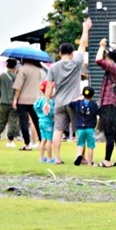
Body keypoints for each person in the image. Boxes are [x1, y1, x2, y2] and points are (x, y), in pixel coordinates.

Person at [44, 17, 92, 164]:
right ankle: (81, 156)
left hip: (58, 102)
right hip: (74, 102)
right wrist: (85, 28)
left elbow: (49, 85)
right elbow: (83, 44)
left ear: (60, 53)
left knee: (58, 130)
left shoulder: (53, 67)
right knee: (79, 129)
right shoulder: (76, 62)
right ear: (71, 53)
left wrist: (47, 102)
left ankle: (57, 158)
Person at [95, 38, 116, 167]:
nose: (106, 60)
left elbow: (98, 60)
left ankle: (107, 161)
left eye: (108, 58)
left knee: (109, 133)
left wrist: (102, 46)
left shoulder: (113, 69)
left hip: (109, 104)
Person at [11, 58, 45, 151]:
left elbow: (18, 86)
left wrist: (15, 99)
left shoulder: (22, 69)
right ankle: (42, 141)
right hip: (36, 99)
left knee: (23, 121)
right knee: (37, 121)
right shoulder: (39, 70)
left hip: (23, 99)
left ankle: (27, 144)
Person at [0, 59, 20, 147]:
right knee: (12, 121)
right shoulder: (16, 77)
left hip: (2, 101)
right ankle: (10, 140)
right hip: (13, 102)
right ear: (15, 66)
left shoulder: (0, 76)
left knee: (1, 121)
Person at [70, 86, 99, 167]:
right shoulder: (94, 104)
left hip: (80, 128)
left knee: (80, 144)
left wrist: (78, 98)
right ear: (93, 95)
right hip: (90, 128)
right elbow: (98, 114)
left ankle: (79, 155)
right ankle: (89, 163)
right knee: (90, 145)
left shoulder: (78, 103)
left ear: (83, 94)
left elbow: (70, 104)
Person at [33, 80, 55, 163]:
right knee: (49, 140)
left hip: (40, 121)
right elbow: (51, 112)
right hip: (48, 122)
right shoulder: (49, 101)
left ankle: (42, 157)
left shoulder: (38, 100)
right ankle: (49, 158)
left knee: (43, 139)